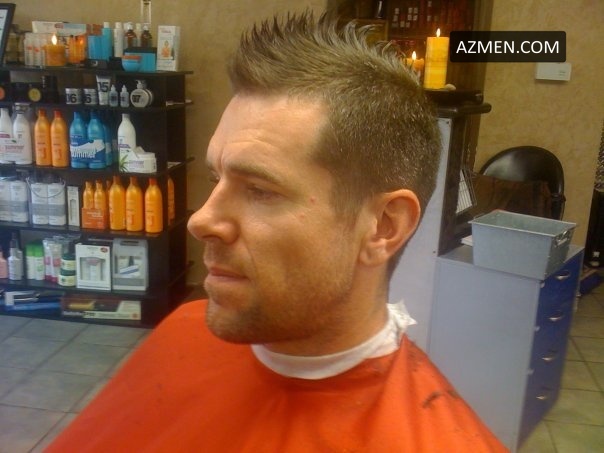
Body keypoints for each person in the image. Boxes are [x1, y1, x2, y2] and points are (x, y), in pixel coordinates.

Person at [48, 11, 506, 452]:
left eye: (260, 190)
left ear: (384, 226)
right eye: (216, 178)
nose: (201, 221)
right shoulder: (183, 333)